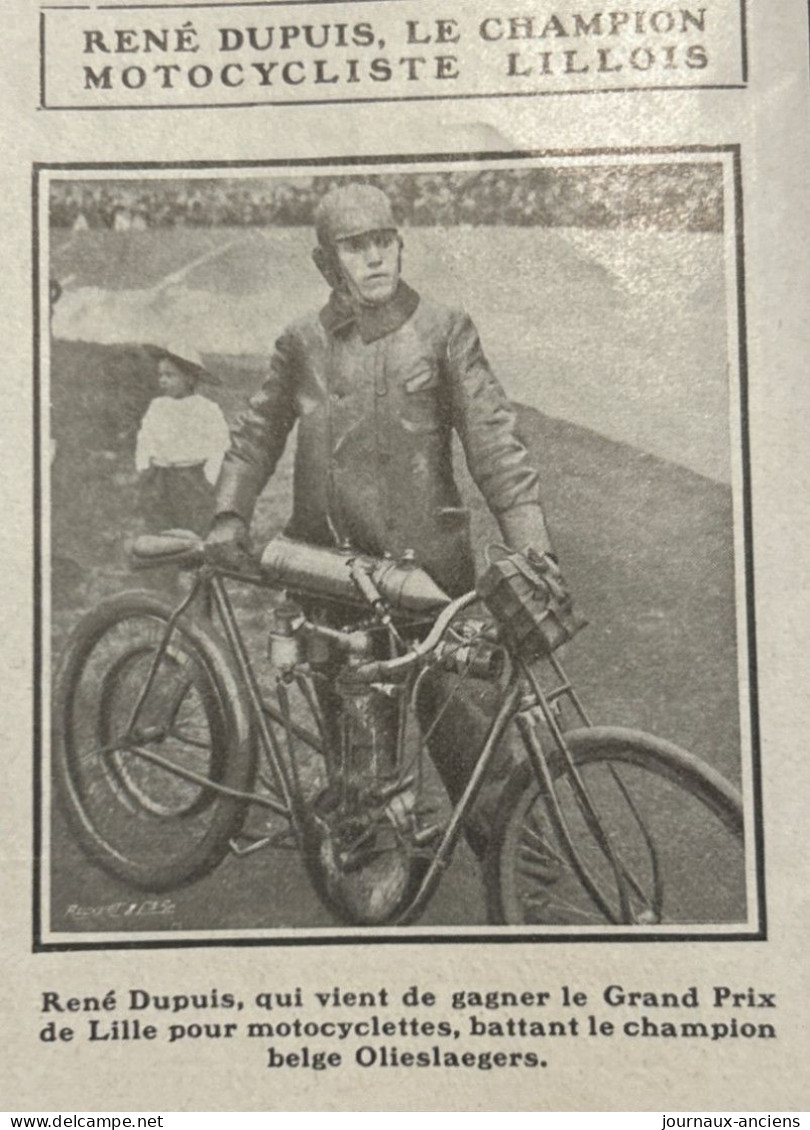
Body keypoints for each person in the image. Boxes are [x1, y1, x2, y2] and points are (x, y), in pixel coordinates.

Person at [207, 183, 561, 855]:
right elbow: (257, 434)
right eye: (354, 247)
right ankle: (364, 859)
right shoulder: (301, 342)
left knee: (469, 735)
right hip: (328, 578)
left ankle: (525, 881)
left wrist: (533, 546)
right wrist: (229, 511)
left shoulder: (444, 328)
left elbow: (494, 441)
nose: (374, 259)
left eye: (383, 242)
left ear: (399, 244)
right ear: (326, 262)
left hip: (429, 577)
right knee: (352, 728)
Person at [135, 343, 230, 539]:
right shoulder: (157, 406)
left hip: (191, 478)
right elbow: (145, 438)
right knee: (158, 523)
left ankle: (191, 562)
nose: (163, 380)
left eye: (170, 375)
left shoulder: (206, 408)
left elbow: (219, 446)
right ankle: (164, 563)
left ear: (189, 378)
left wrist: (208, 479)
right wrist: (144, 467)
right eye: (160, 375)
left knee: (192, 526)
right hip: (159, 476)